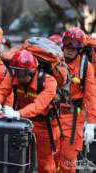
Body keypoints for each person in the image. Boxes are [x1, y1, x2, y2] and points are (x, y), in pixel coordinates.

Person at [0, 49, 59, 172]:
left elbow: (39, 105)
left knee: (45, 164)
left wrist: (18, 113)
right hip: (22, 123)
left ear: (32, 71)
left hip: (44, 125)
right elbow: (2, 90)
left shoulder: (49, 82)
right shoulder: (14, 77)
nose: (18, 76)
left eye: (22, 73)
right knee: (18, 160)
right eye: (16, 72)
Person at [55, 27, 96, 172]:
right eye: (67, 43)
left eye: (75, 45)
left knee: (67, 159)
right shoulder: (54, 60)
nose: (70, 48)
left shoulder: (85, 67)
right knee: (50, 160)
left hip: (73, 118)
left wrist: (91, 124)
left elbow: (91, 96)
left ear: (80, 48)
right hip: (52, 116)